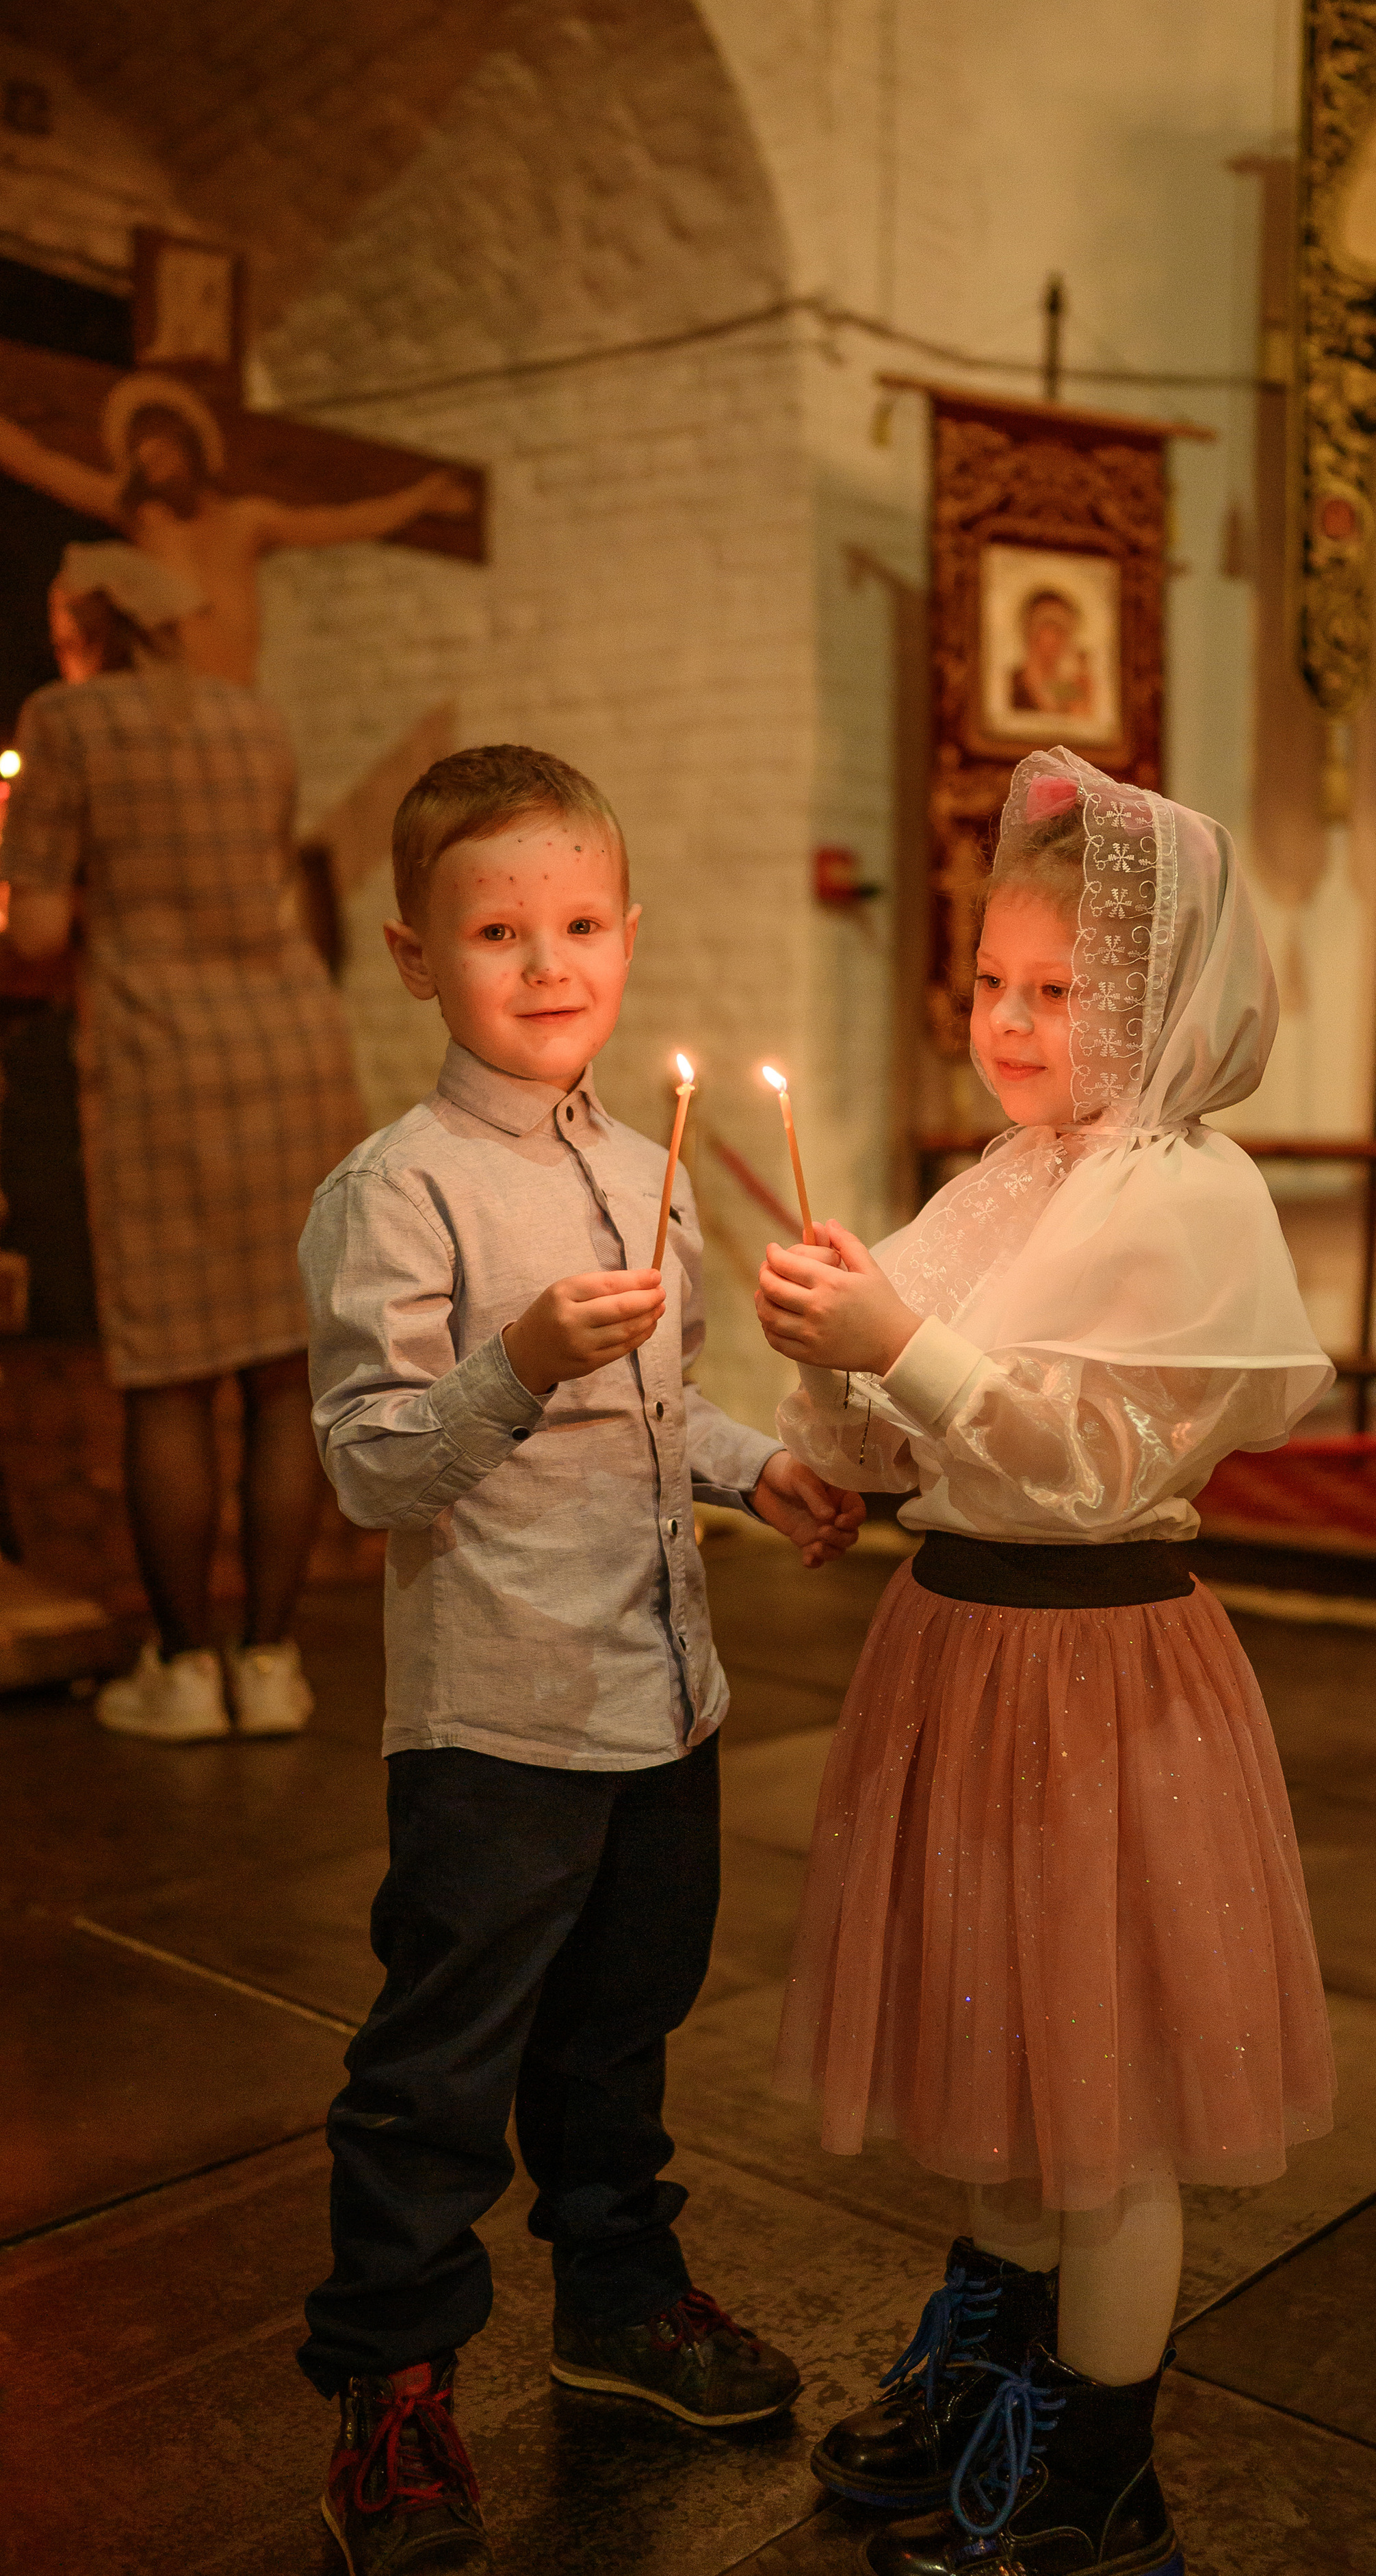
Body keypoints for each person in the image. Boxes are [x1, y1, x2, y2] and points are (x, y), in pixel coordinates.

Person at [754, 746, 1336, 2576]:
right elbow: (914, 1438)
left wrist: (901, 1345)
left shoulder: (1181, 1196)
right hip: (966, 1655)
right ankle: (997, 2354)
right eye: (991, 980)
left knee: (1113, 2087)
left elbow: (1092, 1460)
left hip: (1100, 1675)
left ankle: (1102, 2458)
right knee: (1001, 2033)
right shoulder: (1006, 1176)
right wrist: (825, 1391)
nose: (1007, 1019)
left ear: (1159, 1004)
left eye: (1057, 989)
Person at [296, 743, 866, 2576]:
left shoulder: (647, 1164)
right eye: (500, 929)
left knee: (622, 2029)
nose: (552, 962)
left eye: (584, 920)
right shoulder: (399, 1190)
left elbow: (662, 1404)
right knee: (442, 2061)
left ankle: (614, 2297)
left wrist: (754, 1464)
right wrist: (518, 1352)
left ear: (628, 930)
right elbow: (375, 1464)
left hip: (663, 1692)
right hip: (499, 1708)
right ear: (413, 955)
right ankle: (391, 2386)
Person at [2, 542, 367, 1741]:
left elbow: (42, 926)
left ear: (85, 626)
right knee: (277, 1369)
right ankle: (269, 1661)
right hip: (291, 1046)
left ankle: (181, 1665)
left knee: (167, 1368)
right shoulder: (252, 721)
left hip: (162, 1053)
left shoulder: (65, 721)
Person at [0, 371, 475, 685]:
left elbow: (342, 522)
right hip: (174, 701)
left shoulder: (246, 522)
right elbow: (46, 467)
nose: (156, 463)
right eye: (144, 457)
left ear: (192, 449)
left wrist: (420, 498)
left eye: (165, 450)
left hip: (238, 693)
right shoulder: (144, 520)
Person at [1008, 587, 1095, 719]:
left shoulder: (1067, 688)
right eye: (1051, 627)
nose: (1061, 637)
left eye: (1065, 629)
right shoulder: (1012, 684)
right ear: (1031, 631)